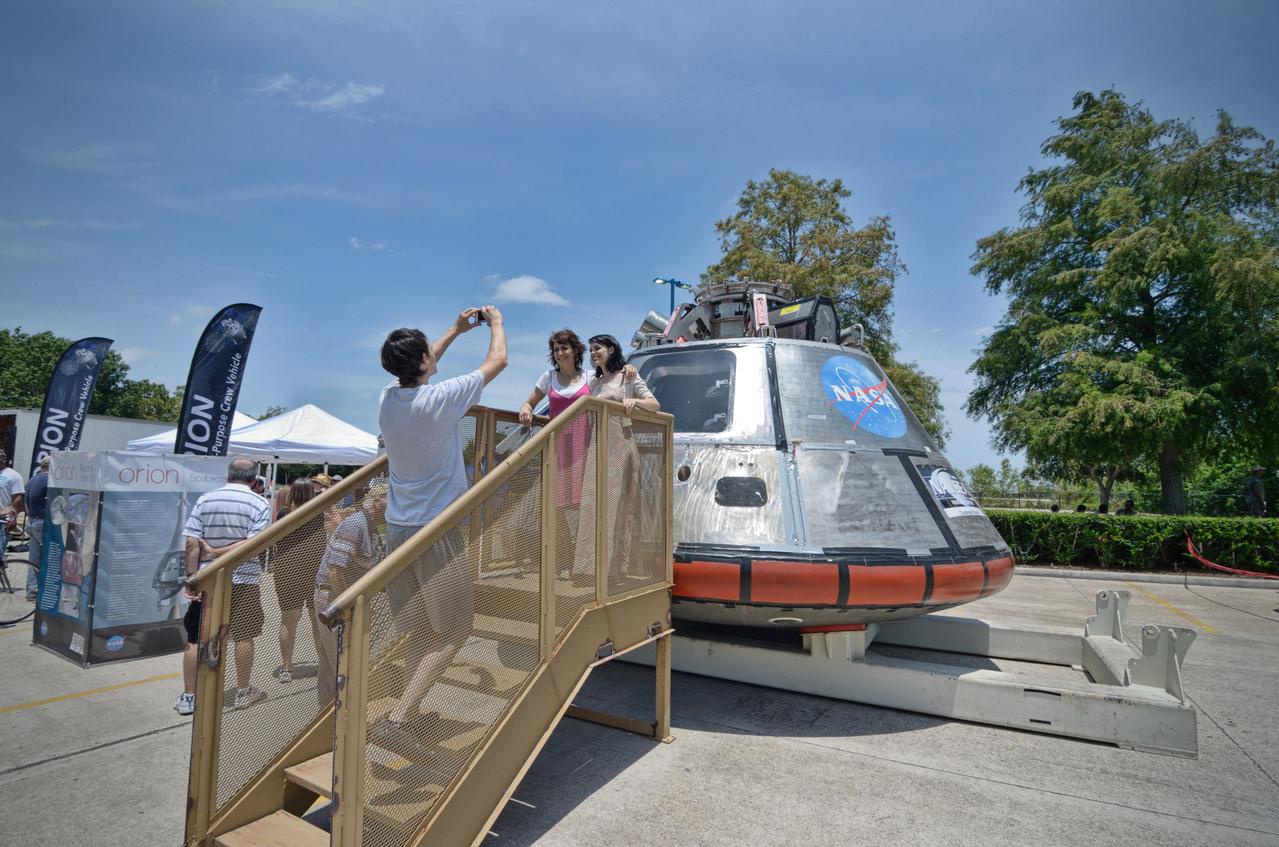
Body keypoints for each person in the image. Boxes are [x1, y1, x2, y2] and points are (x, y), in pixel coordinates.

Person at [372, 306, 507, 755]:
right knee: (455, 629)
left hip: (397, 530)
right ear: (424, 362)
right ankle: (399, 719)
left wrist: (454, 330)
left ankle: (404, 710)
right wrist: (496, 322)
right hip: (435, 533)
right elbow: (498, 361)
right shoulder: (440, 399)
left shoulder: (388, 400)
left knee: (426, 628)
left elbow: (420, 362)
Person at [176, 456, 271, 716]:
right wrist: (220, 553)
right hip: (243, 578)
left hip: (207, 579)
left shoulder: (206, 499)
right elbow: (254, 543)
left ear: (228, 475)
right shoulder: (260, 503)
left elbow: (192, 542)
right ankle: (242, 691)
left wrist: (192, 577)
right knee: (244, 635)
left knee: (195, 638)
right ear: (254, 480)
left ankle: (189, 696)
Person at [313, 481, 387, 705]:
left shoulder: (370, 527)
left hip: (338, 597)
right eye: (394, 500)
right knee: (342, 661)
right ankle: (342, 713)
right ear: (377, 501)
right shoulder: (356, 525)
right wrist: (347, 604)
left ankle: (328, 713)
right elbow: (334, 570)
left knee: (331, 663)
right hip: (334, 598)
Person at [270, 479, 324, 684]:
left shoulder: (284, 514)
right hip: (314, 570)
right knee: (317, 620)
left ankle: (286, 667)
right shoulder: (318, 513)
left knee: (288, 620)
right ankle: (323, 663)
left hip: (287, 571)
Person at [586, 334, 660, 414]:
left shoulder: (628, 375)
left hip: (619, 422)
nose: (592, 353)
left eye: (597, 348)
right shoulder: (595, 381)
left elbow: (654, 405)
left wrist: (634, 401)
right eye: (591, 350)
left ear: (611, 350)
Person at [24, 455, 49, 601]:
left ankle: (32, 592)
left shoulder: (32, 480)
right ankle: (46, 592)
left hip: (31, 521)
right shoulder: (49, 480)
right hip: (42, 522)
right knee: (50, 557)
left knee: (33, 560)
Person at [0, 450, 24, 584]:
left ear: (3, 459)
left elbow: (17, 500)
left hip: (2, 521)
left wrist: (13, 518)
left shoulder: (13, 476)